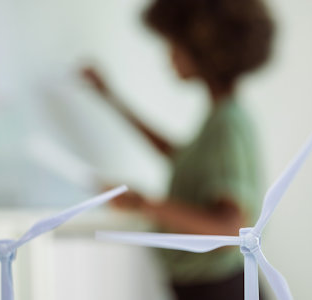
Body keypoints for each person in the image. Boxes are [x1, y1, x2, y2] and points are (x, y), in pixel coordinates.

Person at [82, 0, 275, 299]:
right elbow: (180, 156)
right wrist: (110, 98)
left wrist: (143, 204)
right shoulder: (219, 120)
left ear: (203, 50)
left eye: (174, 44)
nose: (169, 56)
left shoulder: (227, 124)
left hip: (220, 290)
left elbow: (229, 229)